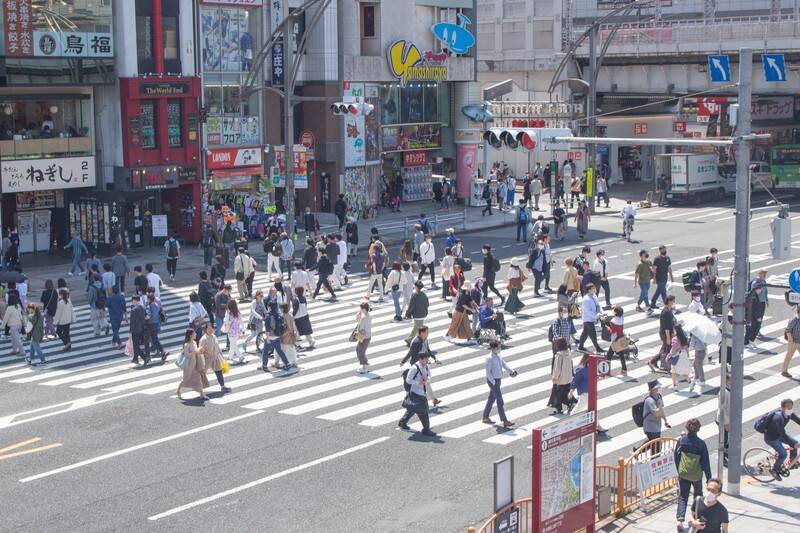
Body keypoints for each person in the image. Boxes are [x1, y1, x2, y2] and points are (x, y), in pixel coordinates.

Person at [675, 418, 713, 532]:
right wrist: (709, 478)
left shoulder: (682, 440)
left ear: (687, 427)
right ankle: (697, 519)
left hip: (683, 473)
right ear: (698, 429)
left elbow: (676, 457)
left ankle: (679, 520)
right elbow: (705, 462)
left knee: (683, 497)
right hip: (696, 475)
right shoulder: (701, 444)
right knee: (698, 497)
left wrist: (679, 469)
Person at [398, 353, 436, 436]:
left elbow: (429, 376)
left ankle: (402, 422)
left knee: (412, 409)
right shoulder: (414, 368)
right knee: (424, 412)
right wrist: (419, 383)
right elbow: (408, 380)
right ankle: (426, 429)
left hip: (422, 392)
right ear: (420, 359)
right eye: (426, 359)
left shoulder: (427, 366)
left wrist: (427, 380)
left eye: (427, 359)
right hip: (416, 392)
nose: (427, 361)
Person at [761, 398, 800, 480]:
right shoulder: (778, 418)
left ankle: (792, 461)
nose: (790, 409)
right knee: (783, 454)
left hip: (779, 435)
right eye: (788, 407)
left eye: (791, 407)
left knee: (795, 442)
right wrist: (793, 444)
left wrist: (793, 444)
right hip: (771, 438)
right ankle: (774, 470)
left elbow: (798, 420)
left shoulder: (789, 414)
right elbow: (782, 433)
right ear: (782, 407)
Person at [482, 340, 517, 427]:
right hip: (493, 381)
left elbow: (504, 364)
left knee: (491, 399)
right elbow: (488, 372)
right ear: (494, 348)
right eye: (498, 347)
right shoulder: (489, 358)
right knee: (500, 401)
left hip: (498, 380)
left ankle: (485, 417)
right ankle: (504, 420)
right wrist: (493, 383)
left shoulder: (498, 356)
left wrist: (511, 371)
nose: (500, 348)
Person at [176, 329, 210, 402]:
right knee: (185, 380)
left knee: (198, 379)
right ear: (191, 335)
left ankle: (202, 394)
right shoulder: (186, 344)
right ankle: (178, 390)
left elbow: (196, 352)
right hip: (189, 366)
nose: (196, 335)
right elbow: (187, 355)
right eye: (194, 334)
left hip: (195, 364)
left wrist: (200, 350)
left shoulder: (194, 342)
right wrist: (196, 351)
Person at [638, 380, 671, 453]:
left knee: (651, 442)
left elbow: (661, 410)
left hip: (656, 425)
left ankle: (637, 451)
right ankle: (654, 460)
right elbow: (656, 413)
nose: (659, 389)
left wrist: (665, 421)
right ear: (652, 390)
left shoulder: (659, 397)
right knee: (656, 446)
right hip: (650, 426)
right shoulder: (649, 401)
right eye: (657, 388)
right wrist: (659, 404)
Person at [199, 323, 231, 393]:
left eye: (212, 329)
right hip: (207, 359)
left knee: (219, 371)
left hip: (215, 357)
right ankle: (197, 387)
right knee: (202, 373)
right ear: (205, 330)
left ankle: (223, 386)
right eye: (209, 329)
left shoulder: (214, 336)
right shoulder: (203, 339)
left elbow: (218, 347)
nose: (210, 330)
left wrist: (221, 356)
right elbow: (200, 351)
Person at [650, 295, 677, 372]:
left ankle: (653, 362)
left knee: (665, 348)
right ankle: (658, 363)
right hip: (665, 334)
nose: (673, 303)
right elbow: (666, 327)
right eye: (672, 301)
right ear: (669, 301)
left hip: (668, 333)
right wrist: (668, 337)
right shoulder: (666, 312)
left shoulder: (668, 310)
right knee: (666, 349)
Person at [549, 337, 573, 414]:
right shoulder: (568, 352)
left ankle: (559, 408)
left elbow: (557, 368)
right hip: (568, 377)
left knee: (558, 393)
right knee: (566, 391)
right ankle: (570, 403)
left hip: (560, 378)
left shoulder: (559, 355)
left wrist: (554, 377)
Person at [578, 284, 602, 352]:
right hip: (588, 319)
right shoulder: (586, 299)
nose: (595, 290)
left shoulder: (594, 296)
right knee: (592, 334)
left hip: (592, 318)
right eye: (593, 289)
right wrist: (596, 316)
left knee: (585, 333)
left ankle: (580, 346)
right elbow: (587, 311)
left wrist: (601, 313)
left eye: (594, 288)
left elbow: (598, 305)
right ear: (589, 290)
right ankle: (598, 348)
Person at [404, 280, 429, 345]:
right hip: (423, 313)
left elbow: (411, 306)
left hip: (417, 315)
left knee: (419, 330)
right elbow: (427, 304)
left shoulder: (414, 295)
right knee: (416, 328)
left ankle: (423, 342)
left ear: (416, 287)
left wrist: (407, 313)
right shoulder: (424, 294)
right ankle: (409, 340)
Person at [144, 292, 167, 362]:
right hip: (156, 324)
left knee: (146, 341)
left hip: (149, 325)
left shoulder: (149, 306)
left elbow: (148, 316)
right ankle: (163, 351)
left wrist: (143, 318)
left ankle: (147, 356)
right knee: (155, 339)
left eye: (147, 299)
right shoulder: (157, 305)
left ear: (149, 299)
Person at [606, 305, 628, 376]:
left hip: (615, 340)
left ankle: (607, 371)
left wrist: (608, 328)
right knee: (621, 355)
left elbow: (612, 331)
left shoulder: (613, 321)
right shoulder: (622, 319)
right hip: (621, 338)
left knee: (609, 355)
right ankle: (624, 370)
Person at [669, 324, 692, 389]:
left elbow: (673, 350)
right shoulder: (684, 337)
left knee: (673, 371)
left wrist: (670, 355)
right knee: (684, 371)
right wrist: (687, 356)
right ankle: (690, 382)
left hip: (677, 356)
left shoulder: (675, 339)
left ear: (675, 330)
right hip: (684, 355)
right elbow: (686, 348)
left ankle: (674, 386)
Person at [650, 245, 673, 309]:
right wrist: (654, 279)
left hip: (665, 277)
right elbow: (654, 269)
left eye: (665, 249)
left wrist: (672, 277)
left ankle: (653, 303)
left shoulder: (667, 258)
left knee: (659, 291)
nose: (664, 251)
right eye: (663, 249)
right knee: (663, 292)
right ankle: (667, 305)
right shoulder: (657, 259)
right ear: (660, 250)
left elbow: (669, 268)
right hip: (659, 278)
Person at [129, 294, 149, 364]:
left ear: (134, 301)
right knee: (137, 344)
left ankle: (144, 357)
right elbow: (146, 317)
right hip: (141, 329)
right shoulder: (143, 308)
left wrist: (130, 332)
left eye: (132, 301)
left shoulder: (133, 310)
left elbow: (132, 322)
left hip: (135, 330)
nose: (132, 302)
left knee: (136, 345)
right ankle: (135, 358)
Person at [279, 303, 300, 368]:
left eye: (280, 308)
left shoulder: (283, 316)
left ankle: (288, 362)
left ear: (282, 309)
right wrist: (294, 333)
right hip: (291, 334)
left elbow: (286, 326)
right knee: (292, 349)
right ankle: (294, 362)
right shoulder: (290, 315)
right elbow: (293, 325)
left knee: (285, 350)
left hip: (285, 335)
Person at [745, 283, 765, 349]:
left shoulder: (753, 294)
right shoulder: (753, 296)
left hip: (751, 315)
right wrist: (758, 317)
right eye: (760, 289)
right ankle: (746, 342)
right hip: (751, 315)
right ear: (757, 289)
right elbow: (753, 308)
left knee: (754, 328)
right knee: (751, 329)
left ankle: (750, 340)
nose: (761, 291)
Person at [782, 305, 800, 378]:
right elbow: (788, 330)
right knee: (789, 356)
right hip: (794, 341)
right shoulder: (794, 319)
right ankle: (784, 371)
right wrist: (790, 341)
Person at [354, 302, 372, 373]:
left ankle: (364, 366)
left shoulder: (364, 318)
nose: (360, 310)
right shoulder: (369, 315)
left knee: (360, 351)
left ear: (364, 309)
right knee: (361, 351)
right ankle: (365, 363)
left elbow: (360, 328)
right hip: (368, 336)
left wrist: (358, 318)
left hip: (363, 337)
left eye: (361, 308)